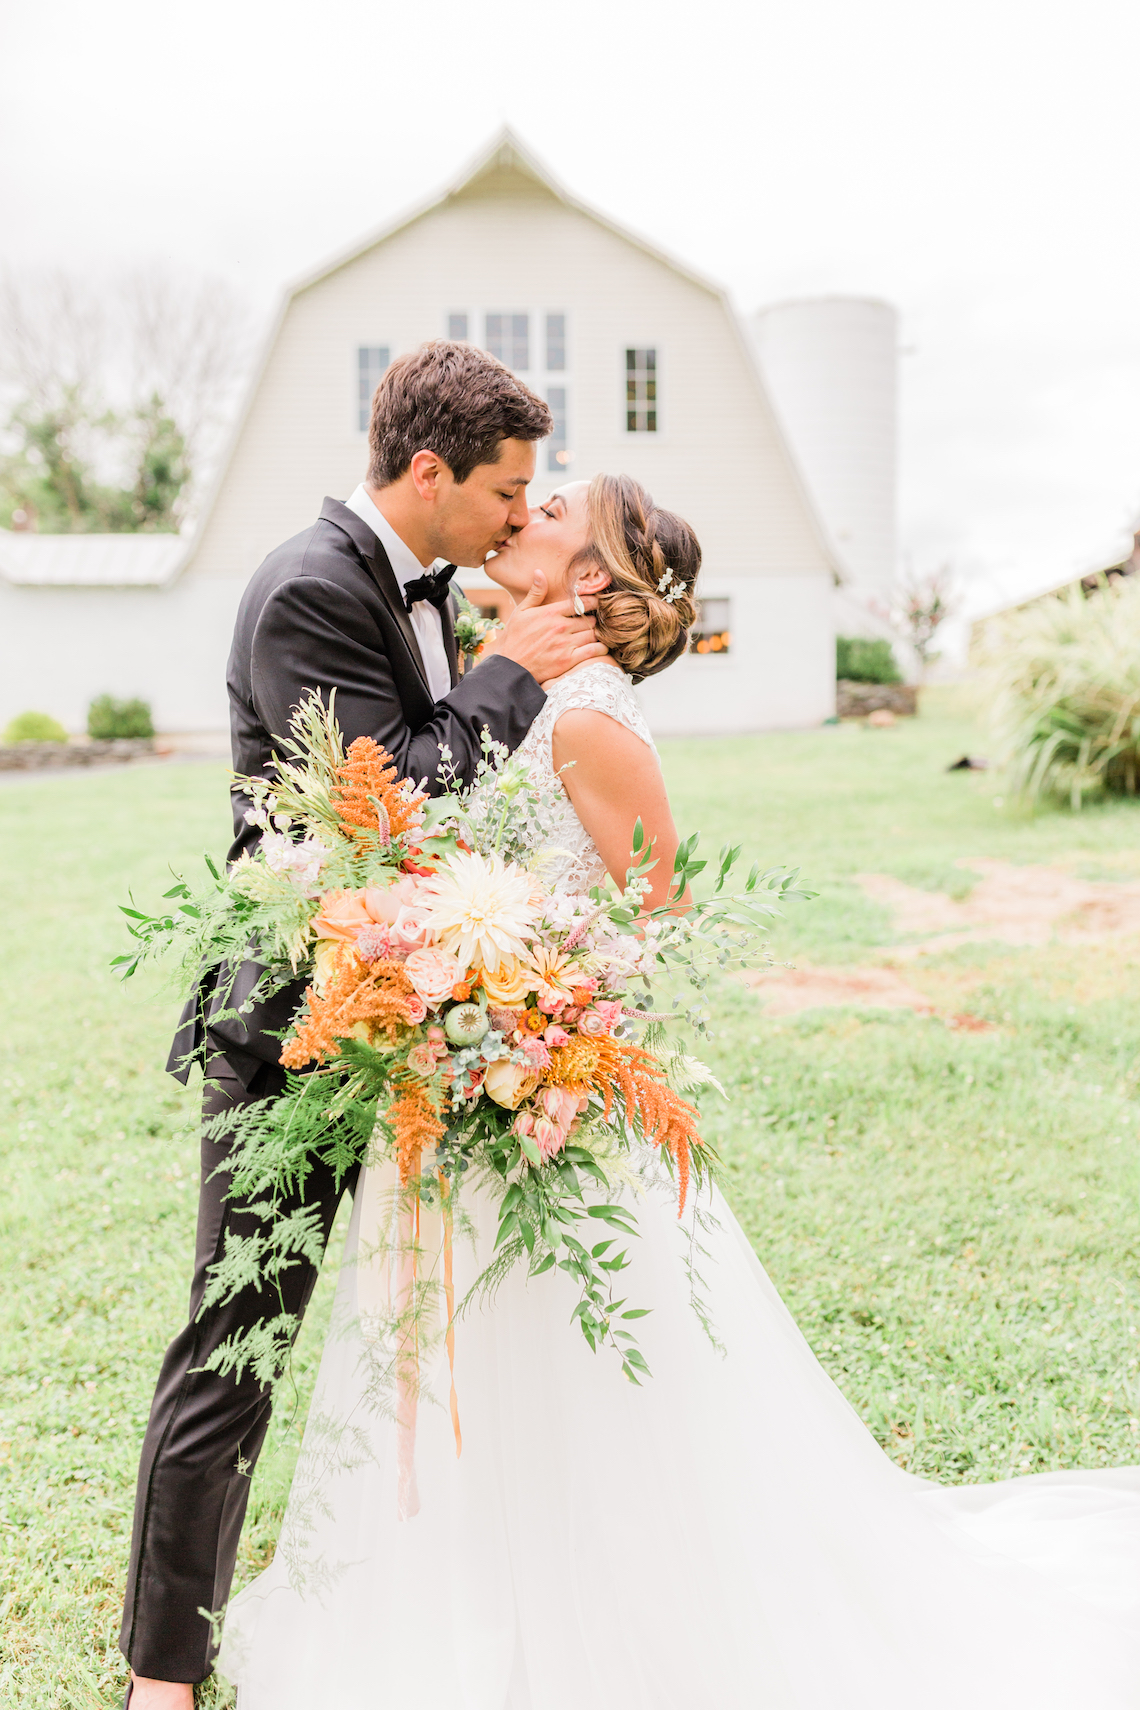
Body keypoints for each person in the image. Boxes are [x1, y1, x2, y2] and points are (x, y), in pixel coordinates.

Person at [218, 474, 1140, 1707]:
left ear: (589, 579)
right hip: (452, 1086)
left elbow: (659, 923)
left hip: (553, 1106)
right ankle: (455, 1606)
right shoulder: (499, 690)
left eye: (547, 511)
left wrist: (544, 1025)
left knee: (580, 1386)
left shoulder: (592, 722)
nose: (518, 517)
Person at [120, 342, 607, 1710]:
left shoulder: (433, 587)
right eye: (508, 491)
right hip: (291, 1038)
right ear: (431, 471)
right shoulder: (305, 591)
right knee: (238, 1337)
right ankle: (164, 1672)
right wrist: (505, 671)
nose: (522, 515)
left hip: (411, 1023)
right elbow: (383, 809)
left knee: (429, 1328)